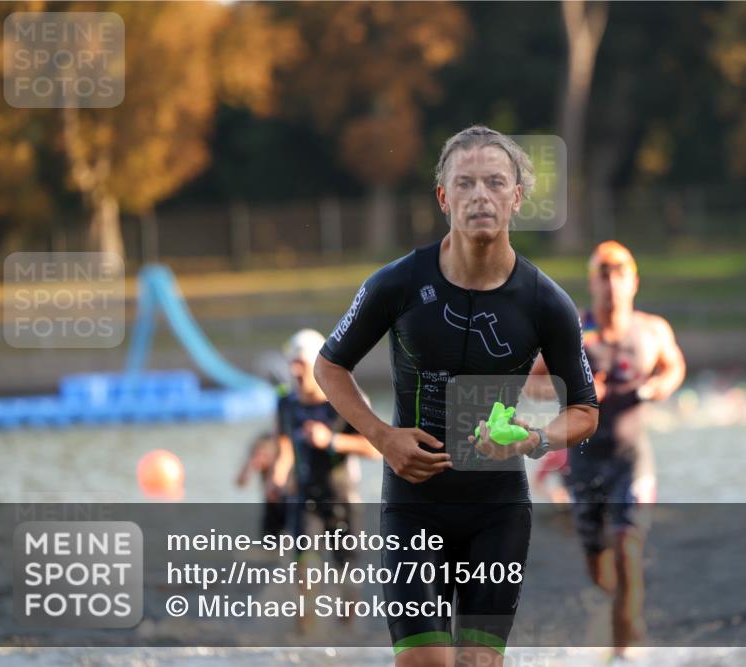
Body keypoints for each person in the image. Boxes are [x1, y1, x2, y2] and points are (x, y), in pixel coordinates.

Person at [314, 125, 599, 667]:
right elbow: (328, 366)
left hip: (497, 510)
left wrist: (535, 439)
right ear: (443, 198)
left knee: (477, 664)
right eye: (465, 183)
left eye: (495, 182)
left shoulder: (547, 303)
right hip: (413, 506)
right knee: (425, 663)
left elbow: (585, 410)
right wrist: (382, 437)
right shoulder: (396, 284)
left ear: (516, 197)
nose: (480, 195)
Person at [528, 240, 685, 660]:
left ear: (633, 281)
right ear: (591, 282)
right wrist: (574, 388)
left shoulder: (652, 330)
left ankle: (624, 646)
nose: (611, 284)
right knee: (601, 569)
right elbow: (532, 381)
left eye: (619, 275)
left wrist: (659, 386)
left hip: (631, 461)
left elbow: (674, 365)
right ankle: (624, 608)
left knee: (628, 546)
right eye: (602, 275)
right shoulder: (573, 332)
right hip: (583, 464)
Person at [271, 329, 380, 567]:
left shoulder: (347, 399)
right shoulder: (286, 402)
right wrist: (278, 477)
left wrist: (331, 440)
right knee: (306, 570)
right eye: (291, 365)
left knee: (349, 582)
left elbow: (376, 449)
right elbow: (284, 444)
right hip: (305, 499)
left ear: (316, 366)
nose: (294, 372)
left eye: (300, 365)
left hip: (343, 499)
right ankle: (308, 605)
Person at [235, 430, 287, 539]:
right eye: (257, 454)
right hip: (271, 507)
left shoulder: (281, 460)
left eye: (263, 455)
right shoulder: (256, 455)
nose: (260, 459)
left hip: (287, 503)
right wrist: (249, 466)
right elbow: (240, 483)